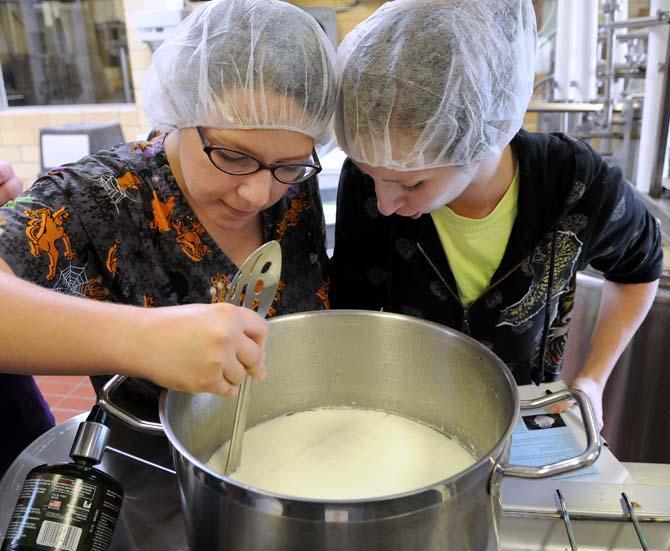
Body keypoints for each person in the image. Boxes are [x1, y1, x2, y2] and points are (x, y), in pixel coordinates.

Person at [0, 0, 336, 475]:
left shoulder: (290, 186)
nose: (259, 192)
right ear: (182, 110)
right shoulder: (102, 196)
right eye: (234, 156)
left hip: (307, 450)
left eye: (288, 165)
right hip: (160, 477)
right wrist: (143, 340)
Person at [330, 0, 662, 431]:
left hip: (524, 428)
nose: (386, 202)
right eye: (373, 174)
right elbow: (348, 313)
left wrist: (593, 380)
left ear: (475, 138)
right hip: (404, 426)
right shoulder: (365, 186)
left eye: (413, 184)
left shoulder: (572, 185)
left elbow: (640, 267)